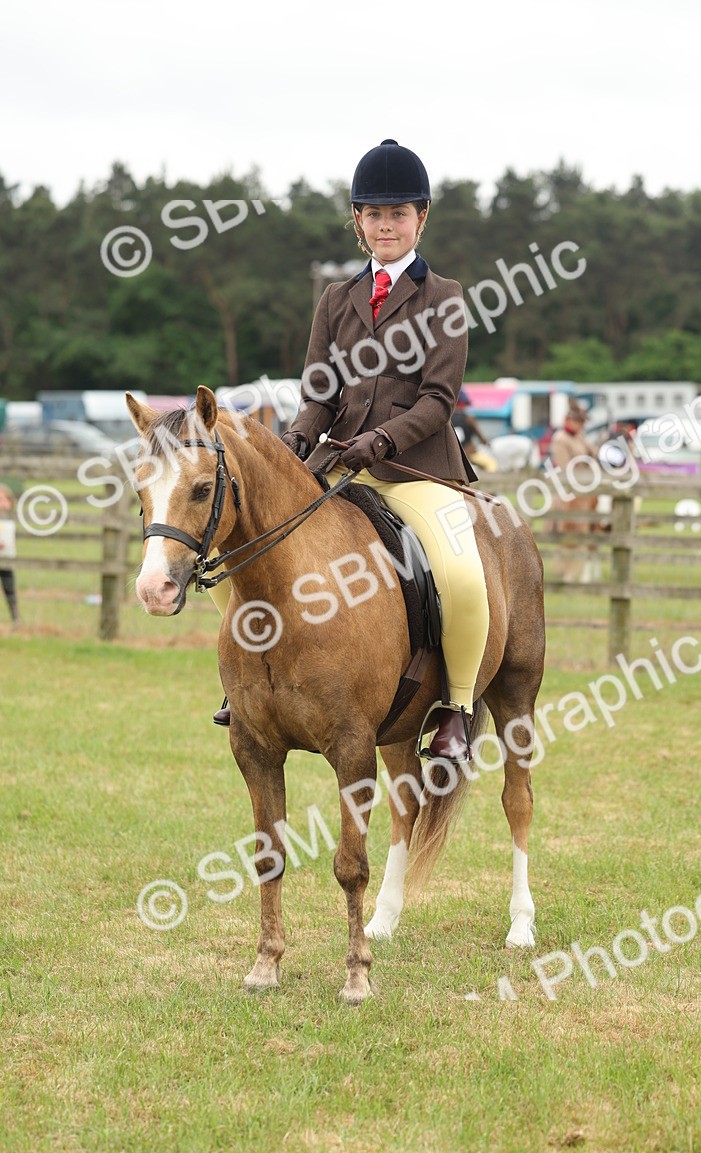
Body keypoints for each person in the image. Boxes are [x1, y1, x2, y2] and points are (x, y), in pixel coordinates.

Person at [258, 137, 489, 761]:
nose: (386, 226)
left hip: (415, 471)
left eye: (399, 214)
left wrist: (379, 440)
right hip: (340, 468)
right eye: (374, 215)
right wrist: (297, 440)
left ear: (421, 217)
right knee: (251, 542)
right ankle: (251, 685)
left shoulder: (445, 298)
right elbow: (319, 392)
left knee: (464, 578)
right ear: (358, 223)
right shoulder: (336, 300)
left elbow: (438, 401)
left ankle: (457, 710)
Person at [547, 401, 601, 582]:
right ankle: (566, 571)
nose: (581, 425)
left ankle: (579, 571)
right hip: (568, 491)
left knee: (584, 531)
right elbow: (565, 467)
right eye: (579, 421)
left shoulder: (579, 437)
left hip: (583, 490)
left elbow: (593, 453)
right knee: (567, 533)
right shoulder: (561, 438)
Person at [452, 389, 497, 473]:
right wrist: (487, 443)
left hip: (453, 456)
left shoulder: (446, 419)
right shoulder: (469, 418)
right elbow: (482, 438)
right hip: (470, 453)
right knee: (492, 465)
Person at [0, 483, 19, 623]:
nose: (2, 504)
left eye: (4, 500)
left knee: (9, 589)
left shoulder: (12, 519)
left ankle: (15, 617)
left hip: (7, 559)